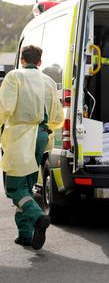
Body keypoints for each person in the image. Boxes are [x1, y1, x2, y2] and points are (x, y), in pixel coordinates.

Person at [0, 45, 64, 250]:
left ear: (21, 60)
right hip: (41, 136)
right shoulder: (48, 81)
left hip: (20, 136)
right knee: (27, 186)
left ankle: (38, 218)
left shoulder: (14, 76)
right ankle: (25, 235)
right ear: (39, 62)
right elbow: (56, 116)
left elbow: (4, 108)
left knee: (14, 188)